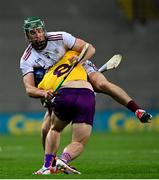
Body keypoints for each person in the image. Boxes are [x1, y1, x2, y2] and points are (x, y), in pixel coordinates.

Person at [20, 16, 152, 173]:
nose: (38, 35)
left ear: (44, 29)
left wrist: (80, 60)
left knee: (101, 84)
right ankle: (49, 164)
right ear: (27, 35)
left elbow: (89, 48)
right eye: (33, 33)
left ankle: (137, 110)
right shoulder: (27, 58)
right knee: (46, 128)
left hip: (77, 65)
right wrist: (43, 93)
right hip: (56, 81)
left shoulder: (60, 37)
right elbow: (29, 88)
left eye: (40, 31)